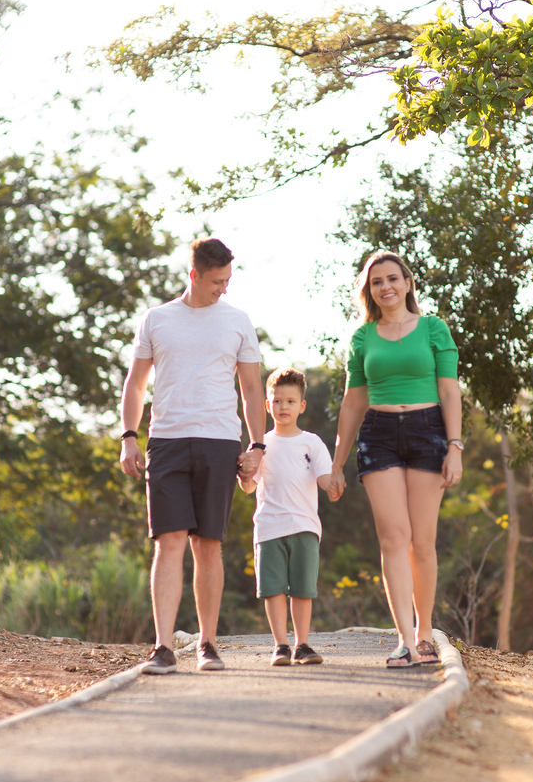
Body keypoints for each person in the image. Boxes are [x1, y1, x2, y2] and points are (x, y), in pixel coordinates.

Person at [119, 237, 266, 674]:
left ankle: (207, 644)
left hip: (219, 441)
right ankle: (163, 647)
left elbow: (252, 389)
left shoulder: (238, 321)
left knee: (208, 545)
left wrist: (257, 445)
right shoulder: (157, 318)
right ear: (194, 275)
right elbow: (135, 383)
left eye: (228, 280)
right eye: (217, 281)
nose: (224, 288)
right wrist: (128, 436)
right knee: (169, 542)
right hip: (166, 441)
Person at [328, 251, 463, 668]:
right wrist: (336, 464)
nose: (385, 287)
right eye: (376, 282)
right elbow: (353, 403)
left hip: (428, 432)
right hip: (378, 435)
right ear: (369, 291)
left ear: (407, 283)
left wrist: (455, 446)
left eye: (392, 279)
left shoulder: (433, 328)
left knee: (422, 541)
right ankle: (404, 640)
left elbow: (449, 391)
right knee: (393, 538)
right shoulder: (362, 337)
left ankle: (424, 634)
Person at [238, 367, 339, 666]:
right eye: (278, 401)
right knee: (273, 590)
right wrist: (243, 471)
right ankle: (280, 645)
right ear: (267, 405)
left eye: (291, 401)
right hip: (269, 527)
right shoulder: (260, 445)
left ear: (302, 405)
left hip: (305, 526)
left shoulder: (312, 442)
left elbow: (324, 478)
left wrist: (333, 486)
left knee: (303, 590)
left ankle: (302, 644)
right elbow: (248, 487)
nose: (284, 407)